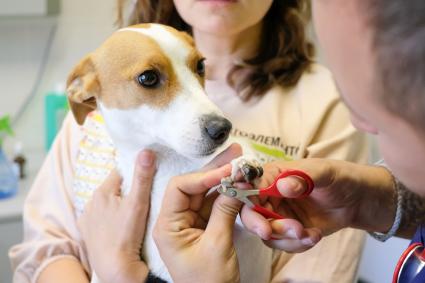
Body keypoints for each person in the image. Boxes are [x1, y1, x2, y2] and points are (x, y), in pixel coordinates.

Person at [9, 0, 368, 282]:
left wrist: (130, 277)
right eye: (150, 78)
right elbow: (45, 248)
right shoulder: (107, 97)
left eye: (198, 70)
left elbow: (318, 272)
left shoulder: (328, 102)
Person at [141, 0, 425, 282]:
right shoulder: (120, 94)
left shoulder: (322, 100)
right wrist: (367, 202)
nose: (361, 122)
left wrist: (126, 272)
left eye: (370, 106)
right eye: (149, 80)